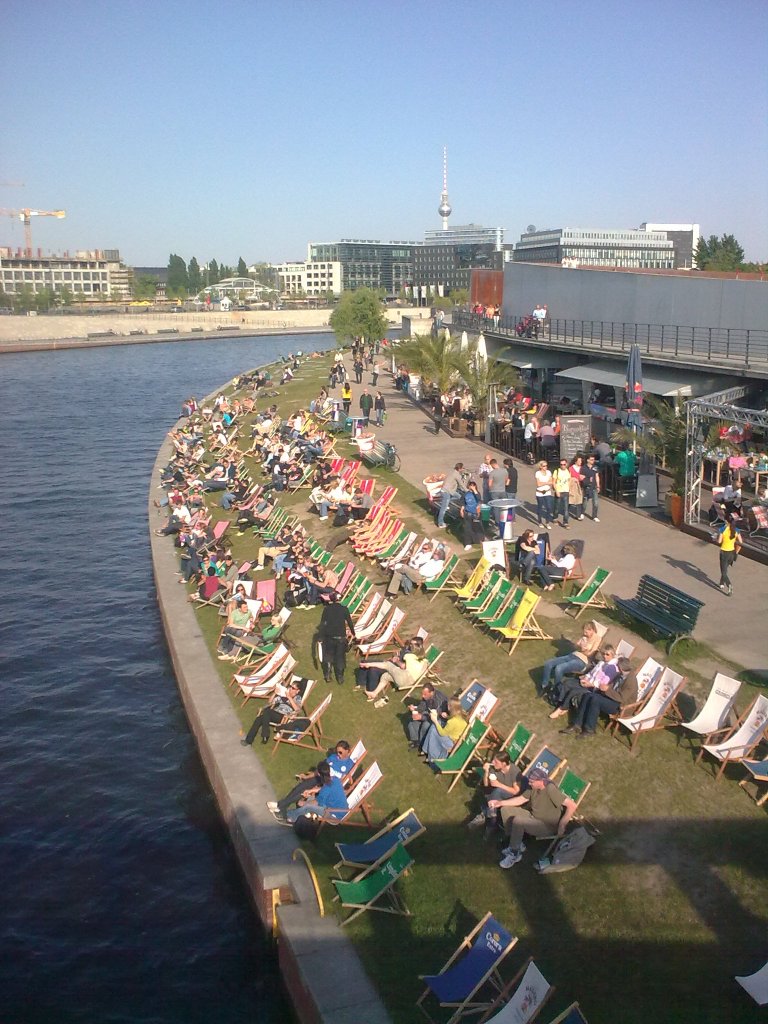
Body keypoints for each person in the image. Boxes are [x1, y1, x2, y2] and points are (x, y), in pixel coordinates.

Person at [495, 767, 577, 869]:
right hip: (533, 816)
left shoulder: (550, 789)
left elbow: (572, 805)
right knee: (505, 810)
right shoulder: (533, 787)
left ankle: (514, 854)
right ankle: (515, 842)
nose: (529, 783)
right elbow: (521, 799)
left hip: (546, 825)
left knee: (518, 821)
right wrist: (500, 803)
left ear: (541, 781)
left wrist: (562, 824)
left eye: (532, 782)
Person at [267, 741, 355, 819]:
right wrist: (307, 776)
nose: (338, 755)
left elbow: (347, 782)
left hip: (329, 782)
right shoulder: (333, 757)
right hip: (322, 778)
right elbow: (320, 769)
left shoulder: (349, 765)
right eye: (337, 752)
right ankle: (282, 805)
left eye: (340, 752)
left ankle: (281, 807)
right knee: (300, 787)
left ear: (348, 751)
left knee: (304, 793)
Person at [560, 657, 636, 738]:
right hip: (612, 697)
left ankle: (590, 729)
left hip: (620, 705)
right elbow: (613, 686)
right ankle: (577, 724)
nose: (616, 667)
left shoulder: (631, 682)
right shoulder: (621, 674)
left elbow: (622, 698)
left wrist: (607, 690)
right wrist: (606, 687)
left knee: (595, 700)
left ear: (621, 668)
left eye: (618, 666)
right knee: (588, 695)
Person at [539, 621, 602, 697]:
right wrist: (579, 646)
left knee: (559, 668)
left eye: (586, 632)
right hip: (573, 655)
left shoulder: (597, 639)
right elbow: (575, 646)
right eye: (584, 631)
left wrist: (582, 649)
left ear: (592, 630)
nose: (584, 633)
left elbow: (591, 654)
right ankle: (545, 686)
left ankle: (556, 690)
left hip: (582, 661)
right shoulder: (584, 637)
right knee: (548, 663)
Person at [467, 751, 522, 832]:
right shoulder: (494, 768)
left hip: (510, 795)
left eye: (496, 762)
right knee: (490, 793)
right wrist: (486, 772)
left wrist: (499, 784)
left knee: (497, 791)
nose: (492, 762)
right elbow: (486, 784)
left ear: (503, 764)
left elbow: (515, 791)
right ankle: (490, 821)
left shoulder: (514, 771)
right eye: (493, 760)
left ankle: (486, 817)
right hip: (496, 793)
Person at [241, 678, 304, 746]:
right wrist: (275, 693)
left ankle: (265, 734)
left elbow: (297, 710)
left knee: (267, 712)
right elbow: (270, 702)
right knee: (259, 719)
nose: (290, 689)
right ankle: (249, 740)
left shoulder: (297, 698)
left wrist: (289, 697)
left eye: (293, 688)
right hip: (274, 714)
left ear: (297, 691)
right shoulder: (283, 695)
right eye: (290, 686)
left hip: (284, 717)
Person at [283, 760, 349, 824]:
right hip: (341, 810)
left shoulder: (327, 787)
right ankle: (304, 816)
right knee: (311, 798)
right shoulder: (335, 779)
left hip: (333, 815)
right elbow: (324, 789)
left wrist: (304, 803)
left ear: (319, 774)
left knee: (308, 806)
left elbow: (317, 802)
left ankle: (289, 816)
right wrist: (310, 791)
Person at [317, 591, 355, 684]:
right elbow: (350, 622)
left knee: (329, 655)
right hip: (341, 638)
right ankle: (340, 677)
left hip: (329, 637)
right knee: (340, 657)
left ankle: (328, 675)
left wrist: (320, 637)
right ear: (340, 599)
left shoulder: (327, 609)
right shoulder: (344, 609)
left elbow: (323, 624)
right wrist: (353, 633)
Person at [420, 699, 467, 765]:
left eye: (448, 705)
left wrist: (435, 720)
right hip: (458, 740)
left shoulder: (452, 721)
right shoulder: (461, 716)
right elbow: (456, 722)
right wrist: (447, 717)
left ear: (450, 707)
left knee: (434, 730)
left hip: (452, 742)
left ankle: (432, 757)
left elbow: (442, 733)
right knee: (434, 727)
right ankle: (426, 750)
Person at [406, 682, 449, 750]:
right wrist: (415, 709)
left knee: (425, 724)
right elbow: (423, 705)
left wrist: (422, 717)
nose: (423, 696)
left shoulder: (439, 700)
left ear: (431, 692)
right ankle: (416, 740)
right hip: (430, 712)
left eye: (425, 694)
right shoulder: (427, 696)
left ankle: (422, 743)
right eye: (422, 694)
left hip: (440, 718)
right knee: (411, 720)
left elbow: (436, 715)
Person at [716, 516, 742, 596]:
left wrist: (716, 538)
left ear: (727, 522)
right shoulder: (736, 530)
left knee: (723, 572)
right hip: (732, 553)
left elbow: (719, 541)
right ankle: (721, 583)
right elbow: (740, 542)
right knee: (725, 569)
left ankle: (729, 585)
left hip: (724, 552)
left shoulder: (722, 529)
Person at [436, 462, 467, 528]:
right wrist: (468, 491)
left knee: (459, 497)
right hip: (447, 492)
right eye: (462, 468)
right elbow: (461, 485)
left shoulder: (452, 472)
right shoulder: (457, 475)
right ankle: (440, 523)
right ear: (460, 469)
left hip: (447, 490)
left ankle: (447, 502)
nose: (462, 470)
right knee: (443, 508)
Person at [460, 479, 485, 550]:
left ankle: (480, 540)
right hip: (468, 513)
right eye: (471, 485)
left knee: (478, 528)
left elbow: (479, 499)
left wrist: (474, 490)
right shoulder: (466, 494)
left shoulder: (477, 493)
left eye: (473, 485)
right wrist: (461, 510)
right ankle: (467, 543)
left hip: (476, 514)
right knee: (467, 529)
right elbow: (463, 502)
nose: (472, 486)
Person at [534, 461, 554, 529]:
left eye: (546, 466)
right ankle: (540, 522)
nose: (545, 467)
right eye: (544, 466)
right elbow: (538, 484)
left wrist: (544, 483)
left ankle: (547, 522)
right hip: (540, 492)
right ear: (540, 467)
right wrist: (546, 482)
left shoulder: (549, 472)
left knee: (549, 507)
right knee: (540, 507)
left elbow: (551, 482)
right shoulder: (538, 473)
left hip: (547, 492)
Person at [553, 458, 572, 528]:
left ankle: (565, 522)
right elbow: (554, 482)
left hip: (566, 491)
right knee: (557, 507)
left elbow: (569, 481)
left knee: (566, 508)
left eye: (564, 464)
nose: (562, 466)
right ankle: (555, 518)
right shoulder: (557, 471)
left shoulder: (568, 471)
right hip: (559, 490)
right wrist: (556, 491)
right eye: (561, 464)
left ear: (566, 464)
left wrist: (569, 490)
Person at [487, 458, 508, 523]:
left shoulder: (492, 473)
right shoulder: (504, 471)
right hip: (502, 490)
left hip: (494, 491)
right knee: (503, 506)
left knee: (496, 507)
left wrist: (490, 489)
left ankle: (497, 521)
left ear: (492, 464)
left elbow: (489, 484)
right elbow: (506, 480)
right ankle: (504, 519)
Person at [582, 454, 601, 522]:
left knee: (595, 502)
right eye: (592, 460)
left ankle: (594, 516)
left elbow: (597, 476)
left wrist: (598, 485)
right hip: (586, 487)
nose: (593, 461)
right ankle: (582, 512)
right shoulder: (583, 468)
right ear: (588, 460)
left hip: (594, 486)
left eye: (594, 459)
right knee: (585, 501)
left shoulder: (595, 467)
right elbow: (581, 477)